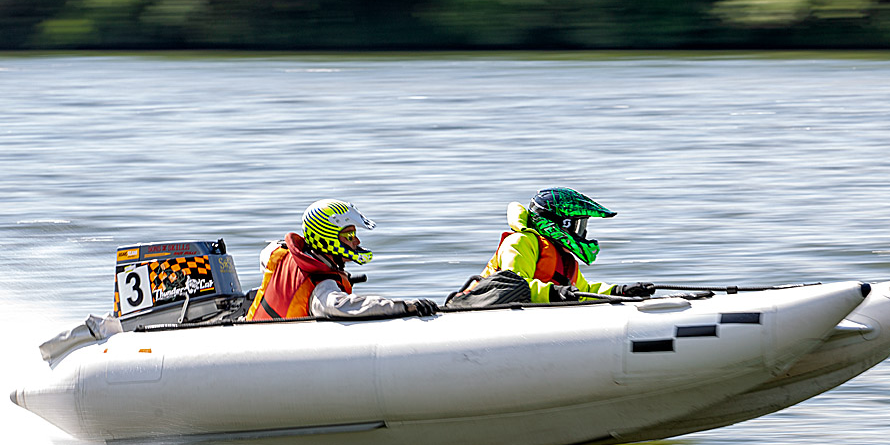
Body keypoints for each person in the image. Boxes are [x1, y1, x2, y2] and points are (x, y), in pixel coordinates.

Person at [245, 199, 439, 321]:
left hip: (252, 328)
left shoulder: (282, 251)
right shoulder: (321, 286)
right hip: (272, 352)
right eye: (349, 235)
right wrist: (405, 306)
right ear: (328, 238)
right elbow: (343, 307)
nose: (357, 241)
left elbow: (266, 256)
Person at [472, 187, 656, 303]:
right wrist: (555, 293)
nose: (581, 232)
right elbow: (513, 285)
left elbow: (583, 291)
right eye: (578, 225)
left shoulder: (563, 258)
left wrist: (620, 291)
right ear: (562, 224)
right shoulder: (520, 242)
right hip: (483, 313)